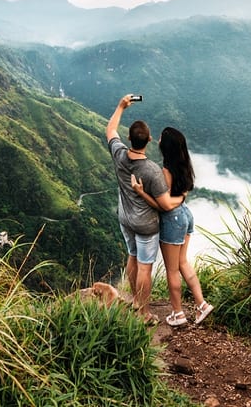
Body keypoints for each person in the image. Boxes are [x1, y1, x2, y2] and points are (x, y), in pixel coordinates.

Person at [105, 94, 179, 324]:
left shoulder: (118, 155)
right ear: (148, 140)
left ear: (129, 138)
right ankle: (144, 313)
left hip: (125, 218)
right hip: (146, 225)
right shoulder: (152, 170)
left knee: (132, 257)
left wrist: (120, 106)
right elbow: (166, 204)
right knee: (145, 268)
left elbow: (110, 130)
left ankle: (136, 302)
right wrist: (182, 198)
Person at [131, 126, 214, 327]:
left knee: (172, 270)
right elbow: (181, 194)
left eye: (160, 138)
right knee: (183, 262)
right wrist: (180, 199)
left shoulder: (166, 172)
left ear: (165, 147)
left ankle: (178, 313)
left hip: (173, 220)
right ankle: (201, 304)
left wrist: (141, 193)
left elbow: (163, 205)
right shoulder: (184, 165)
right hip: (186, 214)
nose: (157, 139)